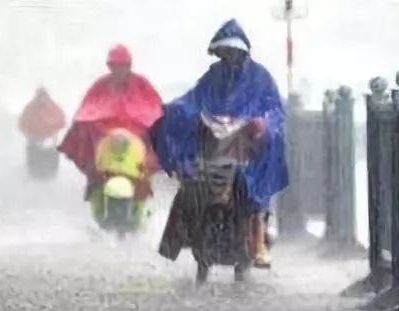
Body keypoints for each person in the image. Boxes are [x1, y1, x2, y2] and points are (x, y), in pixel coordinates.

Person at [152, 19, 289, 268]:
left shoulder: (260, 77)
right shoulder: (214, 75)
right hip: (213, 147)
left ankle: (257, 242)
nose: (229, 56)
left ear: (242, 51)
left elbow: (274, 111)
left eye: (233, 51)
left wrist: (260, 124)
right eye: (224, 51)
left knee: (251, 189)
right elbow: (194, 99)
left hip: (247, 152)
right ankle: (179, 237)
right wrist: (176, 110)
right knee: (191, 184)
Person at [58, 45, 164, 208]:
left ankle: (143, 185)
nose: (119, 70)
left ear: (129, 66)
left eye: (123, 65)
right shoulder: (100, 85)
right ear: (109, 66)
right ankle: (94, 179)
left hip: (136, 134)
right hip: (105, 136)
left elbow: (155, 109)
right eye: (115, 65)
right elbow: (87, 109)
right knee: (82, 135)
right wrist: (87, 122)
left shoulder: (141, 84)